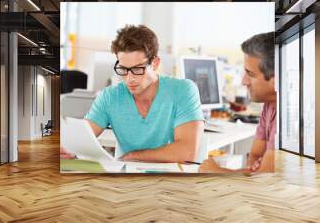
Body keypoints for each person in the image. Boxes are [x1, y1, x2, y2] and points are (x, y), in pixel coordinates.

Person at [61, 25, 204, 163]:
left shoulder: (183, 90)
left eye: (137, 69)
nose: (130, 78)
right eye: (123, 69)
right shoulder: (110, 96)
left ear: (155, 63)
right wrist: (68, 149)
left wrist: (134, 156)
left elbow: (187, 151)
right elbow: (81, 139)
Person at [199, 32, 276, 173]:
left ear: (276, 79)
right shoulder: (270, 105)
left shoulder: (288, 118)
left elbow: (263, 184)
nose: (244, 81)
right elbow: (254, 158)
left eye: (251, 74)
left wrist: (216, 172)